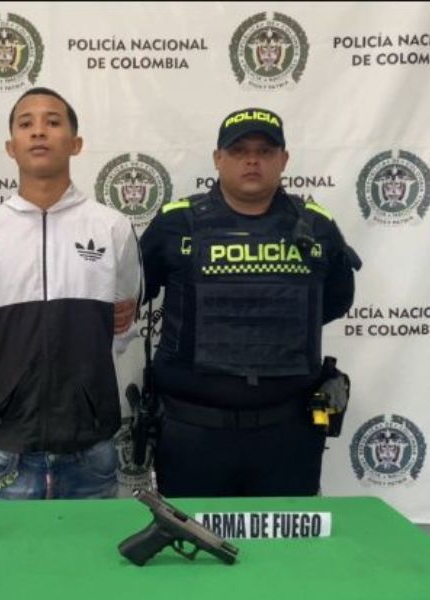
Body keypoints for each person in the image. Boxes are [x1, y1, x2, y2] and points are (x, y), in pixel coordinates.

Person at [138, 107, 362, 497]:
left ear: (284, 160)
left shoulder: (317, 227)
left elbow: (334, 302)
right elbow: (137, 292)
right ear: (218, 158)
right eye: (239, 150)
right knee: (191, 535)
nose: (252, 160)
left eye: (265, 151)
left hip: (287, 434)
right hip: (192, 433)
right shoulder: (175, 223)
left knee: (285, 538)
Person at [0, 87, 141, 500]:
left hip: (91, 446)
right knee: (5, 549)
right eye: (26, 123)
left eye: (53, 122)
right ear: (11, 146)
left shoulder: (111, 227)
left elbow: (122, 327)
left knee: (94, 547)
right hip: (10, 447)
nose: (39, 131)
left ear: (75, 143)